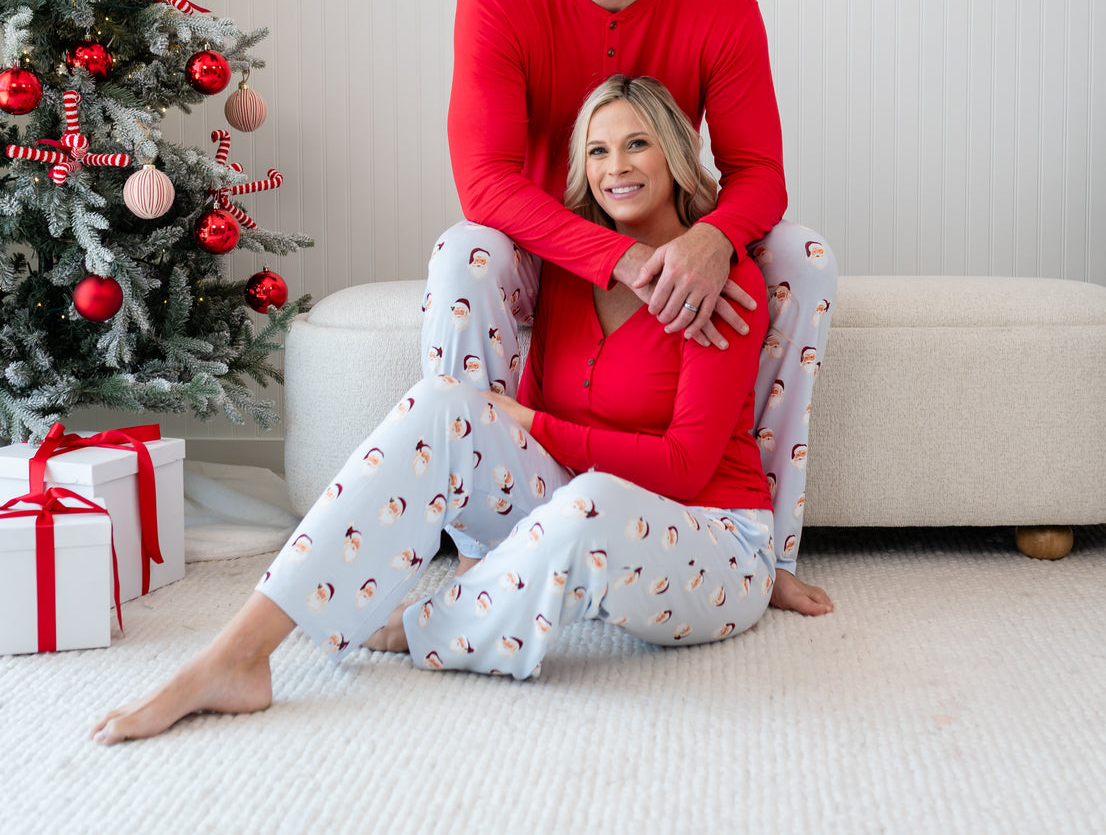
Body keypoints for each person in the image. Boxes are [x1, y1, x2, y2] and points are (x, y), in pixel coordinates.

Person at [90, 75, 829, 744]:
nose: (617, 166)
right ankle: (238, 654)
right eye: (598, 150)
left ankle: (422, 626)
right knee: (446, 403)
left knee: (594, 499)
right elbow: (526, 411)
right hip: (584, 508)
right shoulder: (571, 276)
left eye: (637, 143)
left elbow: (686, 465)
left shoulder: (723, 285)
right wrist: (518, 431)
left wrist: (536, 427)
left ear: (673, 155)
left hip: (714, 541)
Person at [428, 0, 836, 613]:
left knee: (803, 257)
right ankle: (486, 542)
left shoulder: (723, 5)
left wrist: (713, 238)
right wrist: (616, 258)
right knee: (463, 250)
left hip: (676, 248)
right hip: (546, 250)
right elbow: (485, 180)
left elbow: (760, 170)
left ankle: (766, 546)